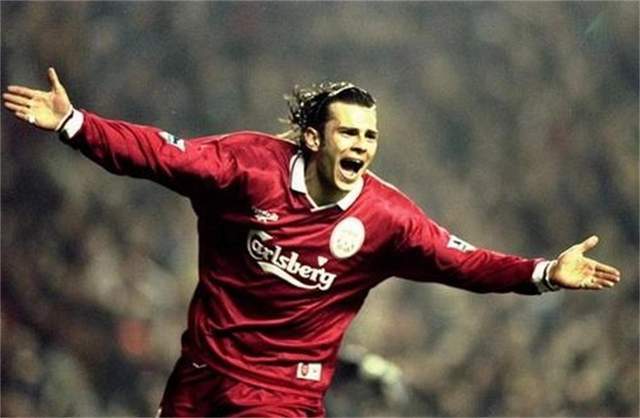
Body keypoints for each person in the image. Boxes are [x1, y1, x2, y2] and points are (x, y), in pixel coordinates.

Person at [3, 68, 622, 417]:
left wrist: (544, 272)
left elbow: (463, 262)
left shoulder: (388, 218)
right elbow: (158, 154)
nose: (362, 146)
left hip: (283, 394)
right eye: (348, 132)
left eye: (370, 136)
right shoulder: (248, 167)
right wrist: (75, 124)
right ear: (312, 138)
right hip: (200, 375)